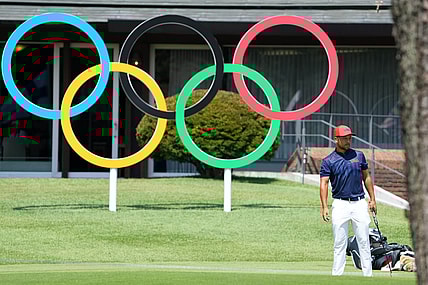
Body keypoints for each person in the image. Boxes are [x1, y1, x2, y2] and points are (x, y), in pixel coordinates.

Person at [319, 125, 377, 277]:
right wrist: (324, 206)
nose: (348, 140)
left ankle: (368, 276)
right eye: (344, 138)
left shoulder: (359, 155)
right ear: (336, 139)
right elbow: (324, 183)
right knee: (340, 242)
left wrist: (372, 199)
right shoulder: (328, 161)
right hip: (340, 204)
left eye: (350, 137)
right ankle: (337, 276)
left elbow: (366, 177)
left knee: (364, 241)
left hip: (359, 203)